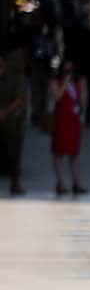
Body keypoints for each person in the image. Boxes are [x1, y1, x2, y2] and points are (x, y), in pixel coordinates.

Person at [49, 59, 84, 196]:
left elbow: (81, 101)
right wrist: (64, 83)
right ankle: (60, 183)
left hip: (74, 120)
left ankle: (76, 182)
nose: (69, 72)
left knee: (74, 153)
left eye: (71, 70)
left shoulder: (77, 82)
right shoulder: (55, 81)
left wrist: (81, 99)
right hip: (61, 119)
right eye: (66, 70)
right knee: (59, 152)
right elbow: (57, 97)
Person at [1, 41, 29, 195]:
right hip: (12, 121)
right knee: (14, 154)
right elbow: (20, 100)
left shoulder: (15, 76)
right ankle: (15, 183)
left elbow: (20, 100)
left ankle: (15, 182)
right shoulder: (18, 76)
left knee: (14, 154)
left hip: (13, 120)